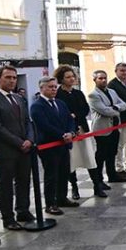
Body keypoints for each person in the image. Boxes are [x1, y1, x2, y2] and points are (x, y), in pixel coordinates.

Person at [0, 65, 34, 231]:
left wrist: (29, 140)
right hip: (6, 151)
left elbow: (27, 122)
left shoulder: (19, 99)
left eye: (14, 77)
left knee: (24, 181)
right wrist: (19, 142)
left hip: (24, 149)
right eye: (8, 77)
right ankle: (8, 218)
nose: (12, 80)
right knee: (5, 186)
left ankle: (23, 210)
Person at [30, 76, 78, 215]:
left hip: (64, 145)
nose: (53, 89)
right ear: (42, 88)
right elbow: (44, 125)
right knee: (51, 176)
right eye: (50, 87)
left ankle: (62, 198)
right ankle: (50, 203)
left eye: (55, 86)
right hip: (49, 145)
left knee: (64, 172)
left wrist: (71, 132)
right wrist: (62, 135)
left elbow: (70, 119)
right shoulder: (37, 106)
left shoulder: (60, 103)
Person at [88, 70, 126, 197]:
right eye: (100, 78)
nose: (103, 80)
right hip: (102, 128)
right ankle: (98, 180)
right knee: (101, 155)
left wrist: (116, 107)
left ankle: (112, 174)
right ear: (95, 80)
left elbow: (124, 104)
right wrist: (116, 109)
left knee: (112, 152)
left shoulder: (112, 91)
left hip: (115, 127)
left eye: (105, 78)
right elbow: (105, 111)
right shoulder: (93, 95)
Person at [54, 65, 91, 200]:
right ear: (61, 79)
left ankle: (97, 184)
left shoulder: (78, 93)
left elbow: (85, 109)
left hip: (82, 128)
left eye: (72, 76)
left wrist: (76, 115)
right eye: (68, 77)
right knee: (72, 161)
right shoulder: (58, 94)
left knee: (89, 156)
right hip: (68, 131)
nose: (71, 79)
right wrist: (71, 118)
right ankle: (74, 186)